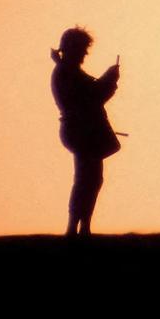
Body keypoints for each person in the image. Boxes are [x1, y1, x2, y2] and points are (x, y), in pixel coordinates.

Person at [50, 27, 121, 238]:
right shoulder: (66, 72)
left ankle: (81, 227)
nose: (85, 53)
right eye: (83, 48)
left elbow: (91, 93)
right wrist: (110, 80)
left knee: (90, 179)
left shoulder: (67, 71)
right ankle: (76, 229)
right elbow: (92, 97)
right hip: (81, 133)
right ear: (73, 48)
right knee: (87, 180)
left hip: (80, 132)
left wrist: (107, 81)